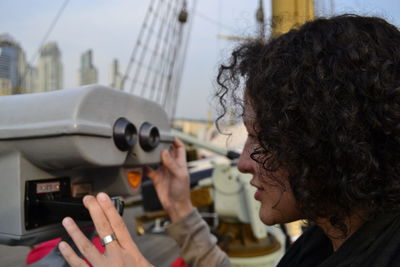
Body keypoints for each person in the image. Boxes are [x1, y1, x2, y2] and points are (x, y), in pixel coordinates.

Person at [57, 14, 400, 266]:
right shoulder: (331, 241)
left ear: (326, 142)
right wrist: (179, 207)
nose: (243, 162)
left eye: (263, 139)